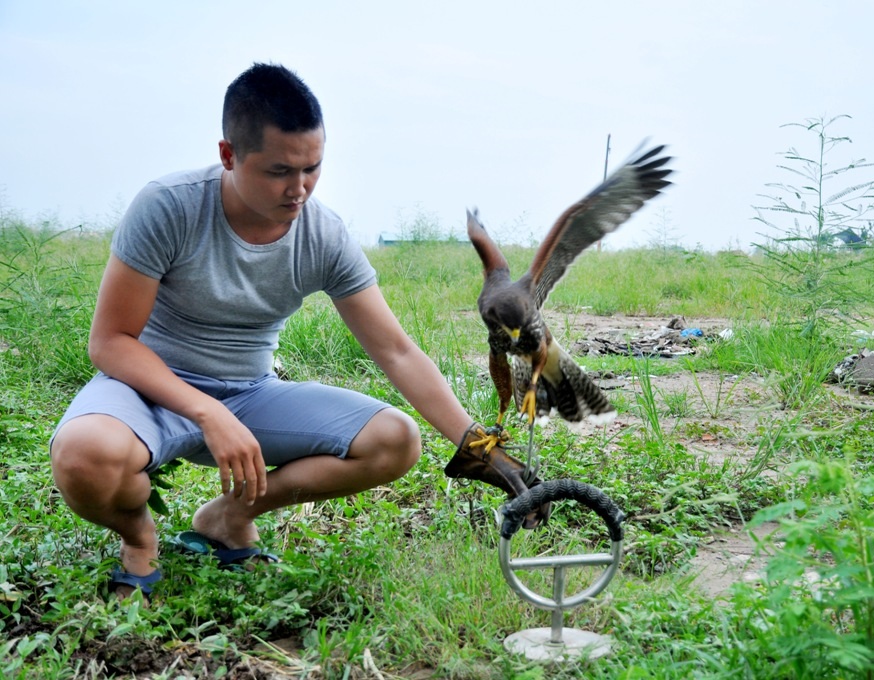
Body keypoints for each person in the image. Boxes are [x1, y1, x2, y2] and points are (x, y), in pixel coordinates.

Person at [49, 62, 545, 600]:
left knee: (394, 440)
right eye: (279, 171)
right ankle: (139, 539)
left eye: (313, 167)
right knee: (84, 454)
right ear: (228, 155)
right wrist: (206, 410)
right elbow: (110, 341)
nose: (299, 189)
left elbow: (397, 351)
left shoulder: (323, 236)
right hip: (146, 391)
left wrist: (479, 445)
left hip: (250, 393)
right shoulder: (170, 207)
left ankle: (228, 518)